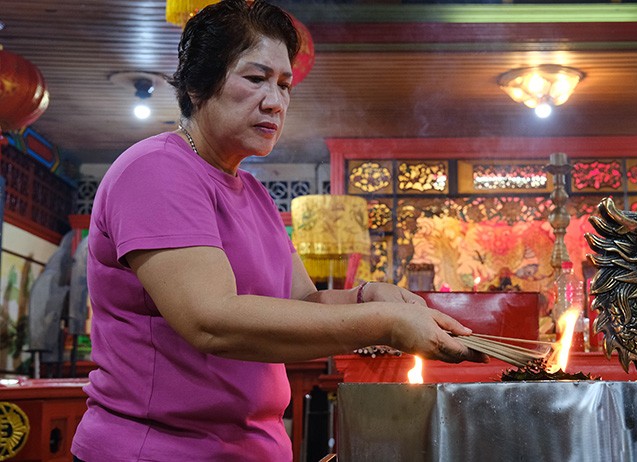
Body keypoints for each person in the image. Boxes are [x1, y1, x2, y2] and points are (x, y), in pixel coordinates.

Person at [70, 1, 485, 461]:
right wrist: (385, 324)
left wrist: (369, 296)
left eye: (285, 85)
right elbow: (209, 320)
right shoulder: (157, 170)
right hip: (159, 449)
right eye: (255, 79)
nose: (275, 101)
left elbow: (303, 303)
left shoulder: (253, 193)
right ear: (196, 83)